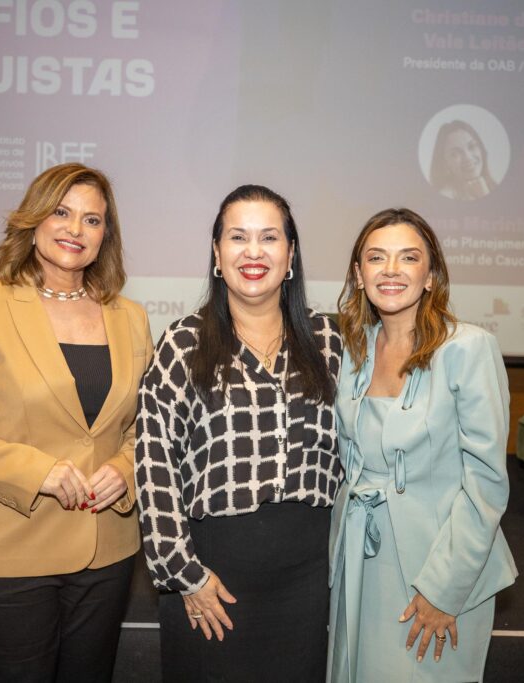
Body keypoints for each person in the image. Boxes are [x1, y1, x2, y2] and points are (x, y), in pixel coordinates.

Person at [0, 163, 153, 682]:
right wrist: (34, 471)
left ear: (105, 235)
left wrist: (126, 467)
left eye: (93, 220)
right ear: (33, 220)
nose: (75, 229)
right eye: (62, 213)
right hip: (6, 554)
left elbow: (146, 425)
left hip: (106, 552)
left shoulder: (129, 316)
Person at [135, 184, 342, 682]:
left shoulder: (331, 341)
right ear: (216, 253)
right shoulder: (183, 343)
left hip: (310, 576)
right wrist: (185, 576)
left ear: (290, 255)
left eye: (269, 237)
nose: (253, 252)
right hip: (213, 575)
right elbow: (153, 462)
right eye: (238, 237)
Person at [328, 208, 517, 682]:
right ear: (358, 273)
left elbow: (487, 485)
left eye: (408, 257)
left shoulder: (468, 348)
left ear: (430, 275)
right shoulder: (352, 348)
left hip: (438, 567)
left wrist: (443, 591)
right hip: (358, 558)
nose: (390, 270)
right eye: (376, 258)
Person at [429, 120, 497, 200]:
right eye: (455, 154)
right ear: (445, 163)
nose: (468, 158)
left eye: (472, 146)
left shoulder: (492, 185)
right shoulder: (445, 196)